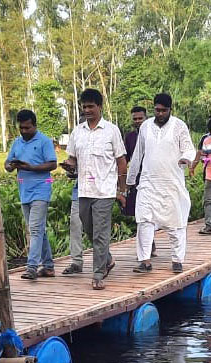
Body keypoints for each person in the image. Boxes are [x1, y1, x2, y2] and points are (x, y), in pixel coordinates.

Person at [63, 88, 127, 290]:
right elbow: (72, 158)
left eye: (91, 106)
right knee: (88, 228)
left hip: (105, 191)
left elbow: (121, 161)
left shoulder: (111, 130)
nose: (87, 110)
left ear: (99, 107)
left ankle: (98, 274)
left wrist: (122, 189)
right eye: (84, 106)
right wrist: (69, 165)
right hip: (84, 189)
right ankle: (107, 258)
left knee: (100, 232)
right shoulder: (77, 132)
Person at [126, 93, 195, 274]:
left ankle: (177, 260)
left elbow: (188, 148)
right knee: (144, 221)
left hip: (171, 183)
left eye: (164, 110)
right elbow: (137, 155)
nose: (160, 113)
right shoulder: (146, 127)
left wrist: (186, 159)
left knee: (176, 223)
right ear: (153, 108)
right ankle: (145, 261)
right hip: (148, 182)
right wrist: (130, 180)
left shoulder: (179, 126)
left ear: (170, 110)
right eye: (157, 110)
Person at [5, 110, 59, 281]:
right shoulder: (17, 142)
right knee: (39, 230)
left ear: (34, 125)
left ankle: (32, 267)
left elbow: (53, 164)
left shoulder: (44, 141)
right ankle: (48, 267)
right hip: (24, 191)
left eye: (27, 128)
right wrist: (11, 166)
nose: (24, 131)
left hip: (41, 189)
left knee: (34, 229)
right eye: (21, 128)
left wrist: (31, 167)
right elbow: (7, 163)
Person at [123, 105, 155, 257]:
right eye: (135, 119)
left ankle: (149, 244)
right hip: (137, 179)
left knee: (154, 212)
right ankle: (147, 247)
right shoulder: (129, 137)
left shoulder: (154, 134)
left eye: (140, 118)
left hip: (154, 178)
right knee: (140, 213)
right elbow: (125, 158)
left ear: (146, 118)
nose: (137, 121)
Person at [63, 112, 87, 275]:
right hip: (80, 189)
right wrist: (70, 170)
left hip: (100, 191)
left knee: (97, 227)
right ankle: (76, 261)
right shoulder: (77, 141)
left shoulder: (106, 136)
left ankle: (105, 259)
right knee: (75, 224)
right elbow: (71, 167)